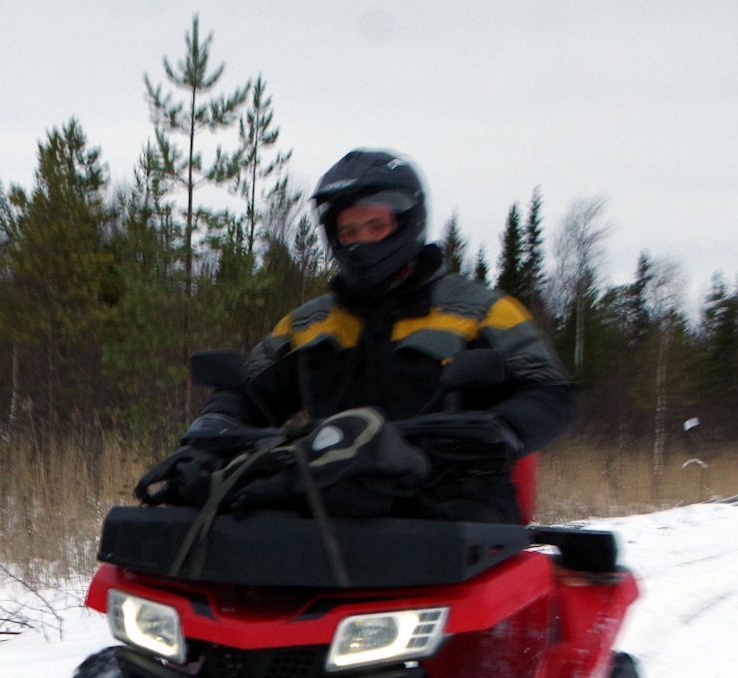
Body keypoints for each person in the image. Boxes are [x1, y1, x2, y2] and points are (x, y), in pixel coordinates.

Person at [196, 149, 573, 524]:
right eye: (350, 232)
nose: (362, 242)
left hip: (451, 499)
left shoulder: (480, 311)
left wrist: (502, 429)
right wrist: (217, 423)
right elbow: (252, 394)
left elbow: (547, 391)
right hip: (333, 494)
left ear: (408, 222)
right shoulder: (308, 323)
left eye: (376, 227)